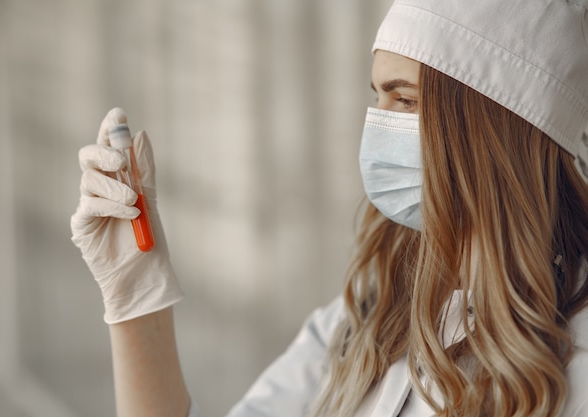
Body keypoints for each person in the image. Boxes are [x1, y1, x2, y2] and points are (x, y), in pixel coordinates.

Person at [70, 0, 588, 416]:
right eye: (377, 96)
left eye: (404, 100)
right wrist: (137, 301)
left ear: (494, 135)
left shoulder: (576, 366)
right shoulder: (367, 315)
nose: (376, 124)